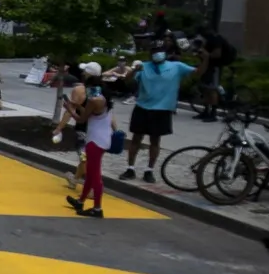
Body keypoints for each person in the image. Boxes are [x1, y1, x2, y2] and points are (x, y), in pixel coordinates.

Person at [121, 41, 204, 182]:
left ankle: (149, 170)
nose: (156, 53)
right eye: (154, 51)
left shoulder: (176, 66)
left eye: (159, 51)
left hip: (162, 109)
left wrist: (205, 59)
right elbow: (127, 80)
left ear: (165, 53)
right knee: (136, 138)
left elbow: (197, 73)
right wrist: (134, 69)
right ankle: (130, 168)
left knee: (155, 140)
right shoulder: (144, 67)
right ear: (150, 53)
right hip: (142, 107)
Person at [65, 67, 113, 219]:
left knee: (95, 176)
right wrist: (78, 106)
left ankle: (97, 208)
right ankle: (80, 201)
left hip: (95, 141)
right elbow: (91, 112)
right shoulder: (103, 99)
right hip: (102, 138)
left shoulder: (94, 100)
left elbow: (82, 119)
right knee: (91, 175)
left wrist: (70, 109)